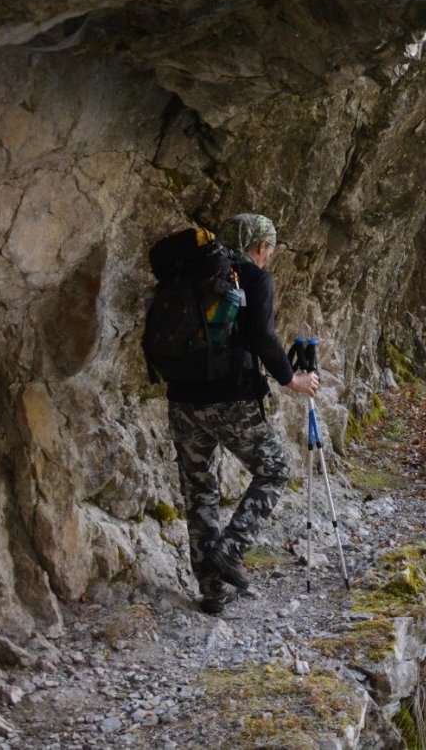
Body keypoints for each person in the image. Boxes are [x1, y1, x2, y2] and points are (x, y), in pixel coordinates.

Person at [165, 213, 319, 614]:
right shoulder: (252, 277)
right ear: (260, 246)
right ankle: (230, 551)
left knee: (198, 489)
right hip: (230, 398)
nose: (268, 255)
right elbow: (264, 337)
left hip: (182, 398)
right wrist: (292, 380)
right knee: (275, 469)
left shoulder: (189, 271)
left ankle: (212, 591)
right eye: (269, 248)